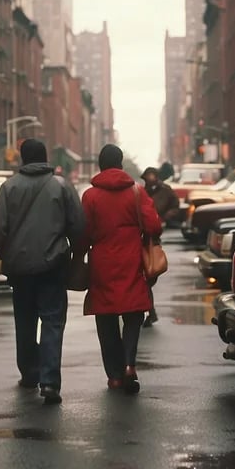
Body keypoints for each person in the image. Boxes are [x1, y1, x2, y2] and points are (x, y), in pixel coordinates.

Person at [0, 138, 85, 406]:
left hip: (19, 268)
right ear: (45, 158)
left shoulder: (8, 188)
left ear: (22, 158)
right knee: (53, 322)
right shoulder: (62, 186)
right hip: (53, 266)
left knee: (24, 320)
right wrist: (75, 254)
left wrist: (3, 254)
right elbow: (77, 226)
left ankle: (29, 374)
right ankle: (50, 382)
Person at [80, 144, 162, 395]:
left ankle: (114, 376)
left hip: (102, 263)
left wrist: (79, 256)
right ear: (121, 163)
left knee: (105, 319)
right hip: (132, 260)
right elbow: (154, 226)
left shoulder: (90, 196)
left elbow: (83, 233)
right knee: (133, 315)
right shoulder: (136, 192)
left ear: (100, 165)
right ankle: (129, 364)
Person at [140, 166, 178, 327]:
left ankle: (149, 311)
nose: (150, 178)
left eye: (152, 175)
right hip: (142, 235)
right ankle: (150, 311)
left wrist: (167, 216)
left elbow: (175, 205)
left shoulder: (166, 190)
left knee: (148, 276)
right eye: (148, 175)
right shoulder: (141, 192)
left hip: (153, 235)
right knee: (144, 279)